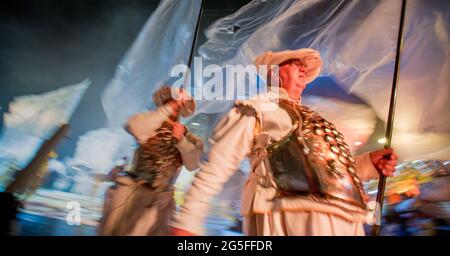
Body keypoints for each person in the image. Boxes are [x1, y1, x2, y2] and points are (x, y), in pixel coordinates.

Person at [171, 48, 397, 236]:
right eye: (295, 62)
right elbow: (218, 165)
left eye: (304, 67)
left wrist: (368, 164)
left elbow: (326, 169)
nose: (303, 68)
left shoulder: (315, 116)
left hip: (346, 220)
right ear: (273, 71)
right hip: (292, 215)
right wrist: (187, 221)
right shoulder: (256, 108)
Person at [98, 86, 203, 235]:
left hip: (160, 202)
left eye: (178, 104)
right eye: (170, 102)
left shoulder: (190, 138)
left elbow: (192, 164)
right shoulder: (145, 121)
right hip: (130, 194)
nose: (174, 107)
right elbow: (137, 129)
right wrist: (170, 106)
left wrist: (181, 141)